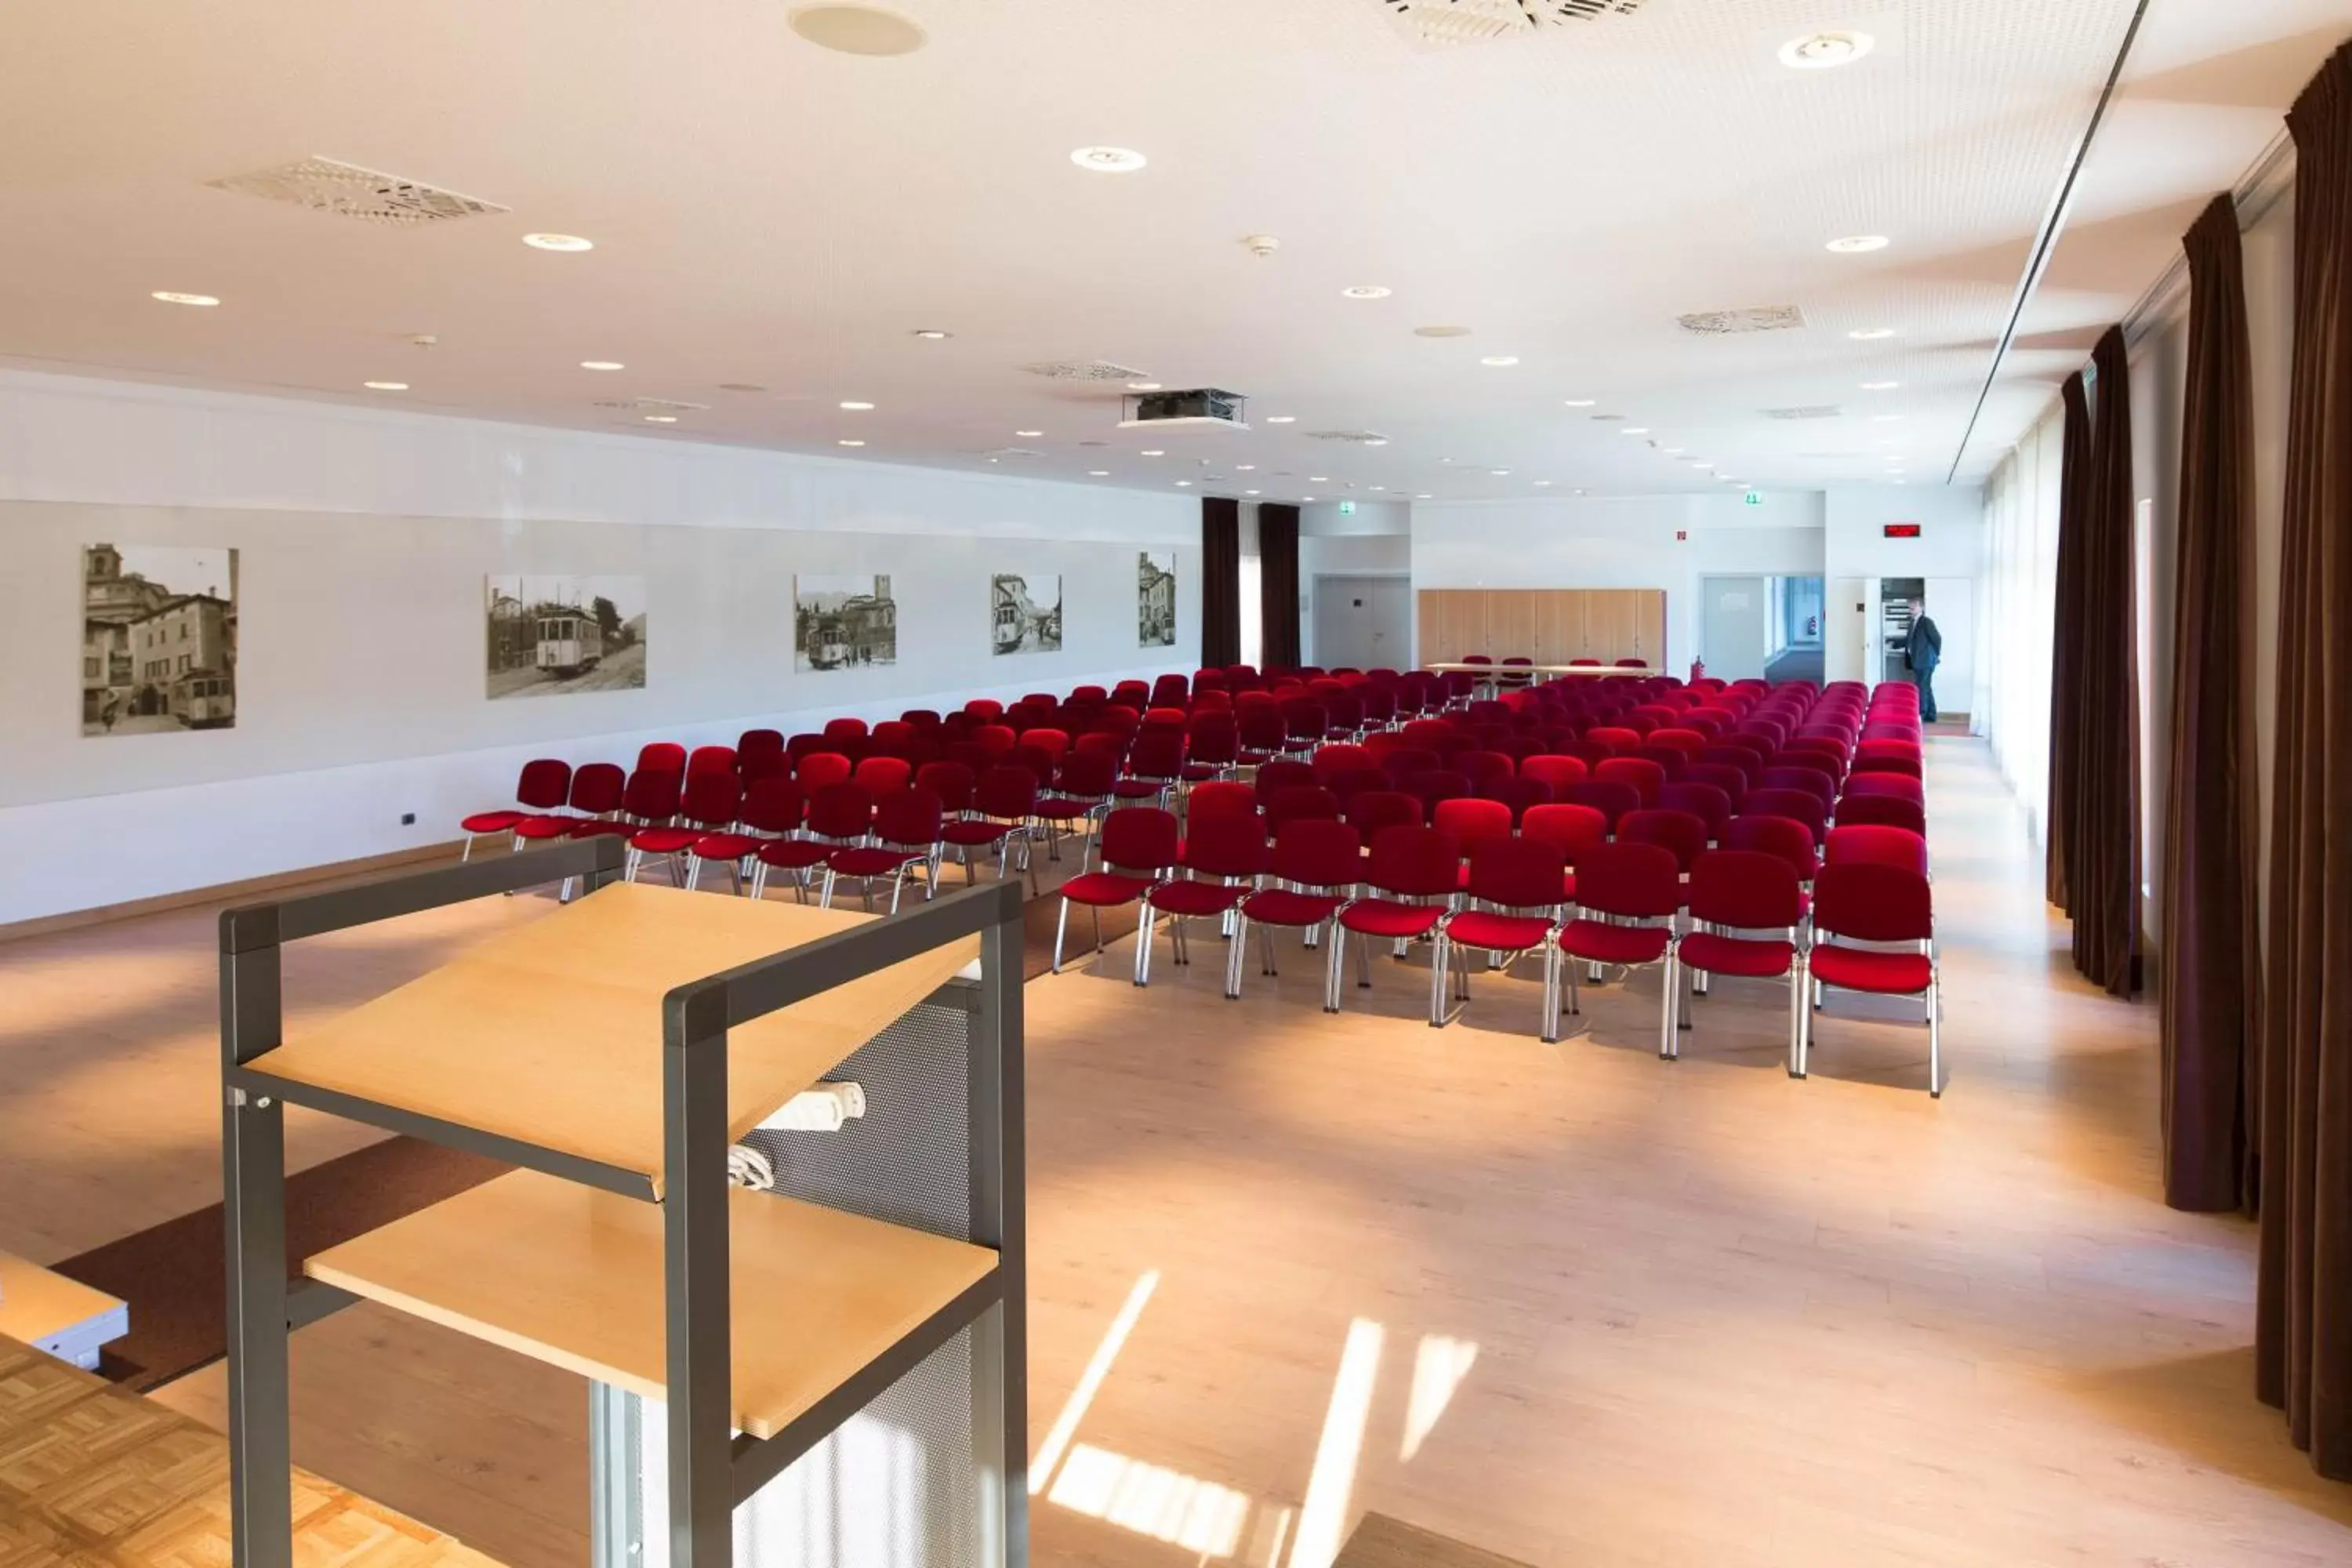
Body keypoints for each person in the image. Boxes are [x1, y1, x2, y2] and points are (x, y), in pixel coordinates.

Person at [1904, 597, 1942, 723]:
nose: (1911, 609)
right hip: (1917, 661)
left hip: (1926, 661)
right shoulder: (1912, 622)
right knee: (1925, 686)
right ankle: (1931, 714)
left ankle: (1922, 714)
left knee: (1921, 687)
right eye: (1910, 606)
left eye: (1914, 606)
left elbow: (1937, 639)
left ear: (1921, 607)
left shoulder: (1926, 622)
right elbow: (1910, 640)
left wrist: (1935, 655)